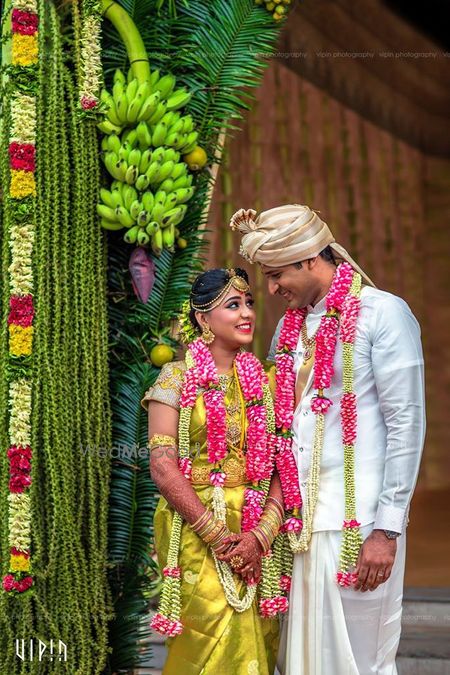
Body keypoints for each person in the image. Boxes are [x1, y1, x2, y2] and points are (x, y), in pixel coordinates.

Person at [230, 205, 426, 675]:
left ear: (309, 259)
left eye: (277, 275)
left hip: (358, 525)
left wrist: (387, 529)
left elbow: (407, 424)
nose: (272, 290)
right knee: (300, 658)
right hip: (298, 527)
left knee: (361, 660)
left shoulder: (384, 313)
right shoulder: (288, 328)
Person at [142, 268, 286, 675]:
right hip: (195, 527)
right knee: (208, 638)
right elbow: (163, 466)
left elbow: (283, 462)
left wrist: (261, 535)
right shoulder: (175, 377)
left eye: (249, 304)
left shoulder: (265, 380)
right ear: (203, 319)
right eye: (233, 305)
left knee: (256, 638)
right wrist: (218, 537)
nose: (247, 314)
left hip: (256, 529)